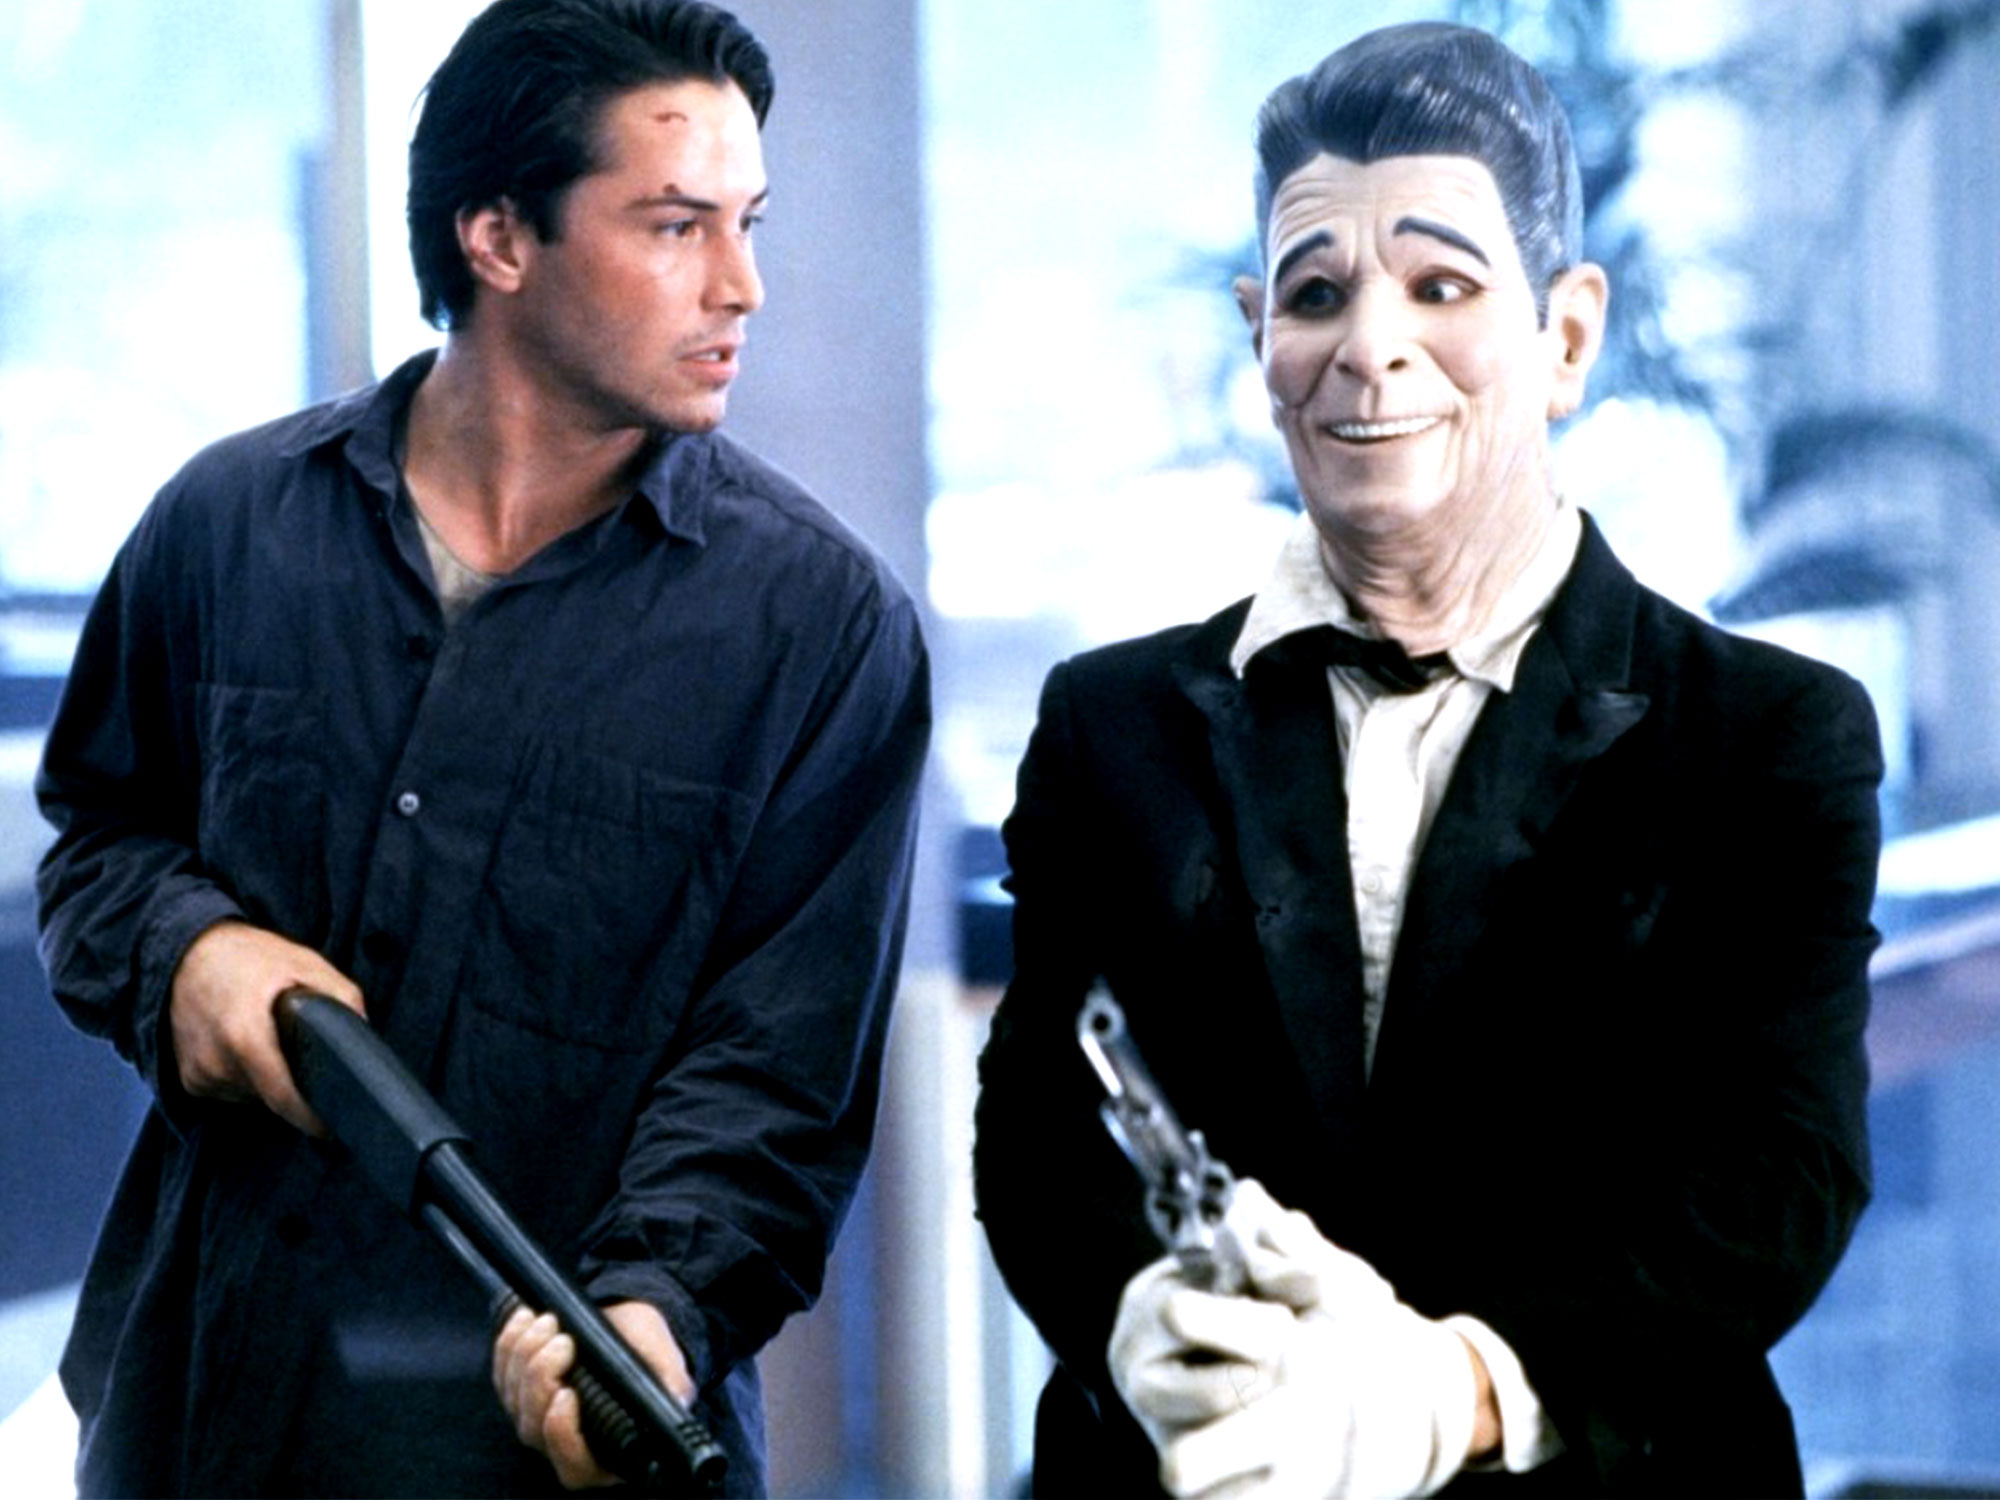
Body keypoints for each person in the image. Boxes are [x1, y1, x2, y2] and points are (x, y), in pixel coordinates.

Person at [973, 21, 1880, 1499]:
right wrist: (1134, 1326)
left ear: (1566, 335)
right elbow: (1040, 1127)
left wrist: (1454, 1392)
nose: (1369, 348)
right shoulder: (1108, 723)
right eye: (1316, 293)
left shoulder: (1769, 735)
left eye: (1441, 286)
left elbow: (1777, 1175)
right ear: (1259, 336)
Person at [36, 0, 930, 1493]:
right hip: (203, 1414)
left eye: (749, 223)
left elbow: (775, 1083)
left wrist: (653, 1312)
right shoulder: (227, 527)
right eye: (676, 227)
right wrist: (188, 953)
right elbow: (98, 844)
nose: (743, 285)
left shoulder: (823, 632)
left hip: (558, 1444)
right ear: (500, 237)